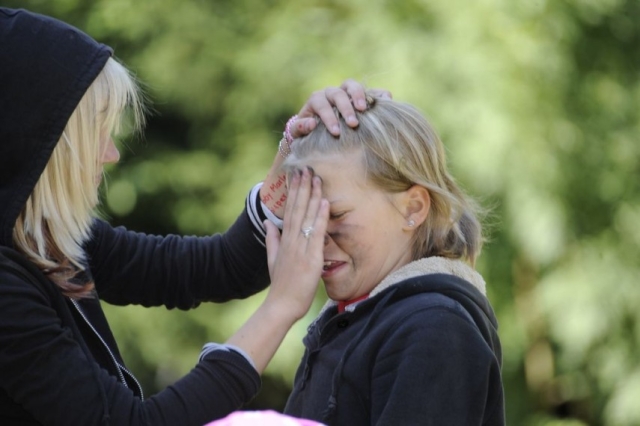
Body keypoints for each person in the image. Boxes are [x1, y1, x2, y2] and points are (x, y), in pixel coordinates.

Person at [0, 7, 379, 426]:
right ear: (39, 142)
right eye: (94, 134)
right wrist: (281, 308)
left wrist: (295, 146)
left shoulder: (45, 238)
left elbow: (214, 268)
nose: (111, 154)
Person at [279, 91, 505, 425]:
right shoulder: (348, 319)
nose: (312, 236)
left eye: (336, 215)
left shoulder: (434, 329)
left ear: (412, 209)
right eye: (305, 217)